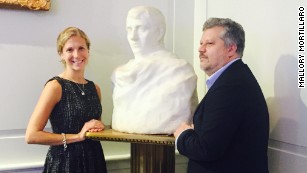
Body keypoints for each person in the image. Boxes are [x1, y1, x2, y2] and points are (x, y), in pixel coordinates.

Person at [174, 18, 269, 173]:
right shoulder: (234, 79)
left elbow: (206, 149)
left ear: (231, 49)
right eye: (201, 43)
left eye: (209, 44)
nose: (200, 49)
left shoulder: (231, 86)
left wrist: (182, 135)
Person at [25, 27, 107, 173]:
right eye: (69, 50)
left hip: (94, 161)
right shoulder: (55, 86)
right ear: (61, 54)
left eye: (81, 48)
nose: (76, 54)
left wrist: (99, 126)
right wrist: (78, 137)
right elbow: (31, 135)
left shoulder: (95, 88)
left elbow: (93, 130)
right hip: (64, 163)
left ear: (88, 51)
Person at [111, 6, 198, 134]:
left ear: (159, 32)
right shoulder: (120, 75)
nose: (133, 37)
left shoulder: (179, 72)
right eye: (129, 29)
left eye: (140, 28)